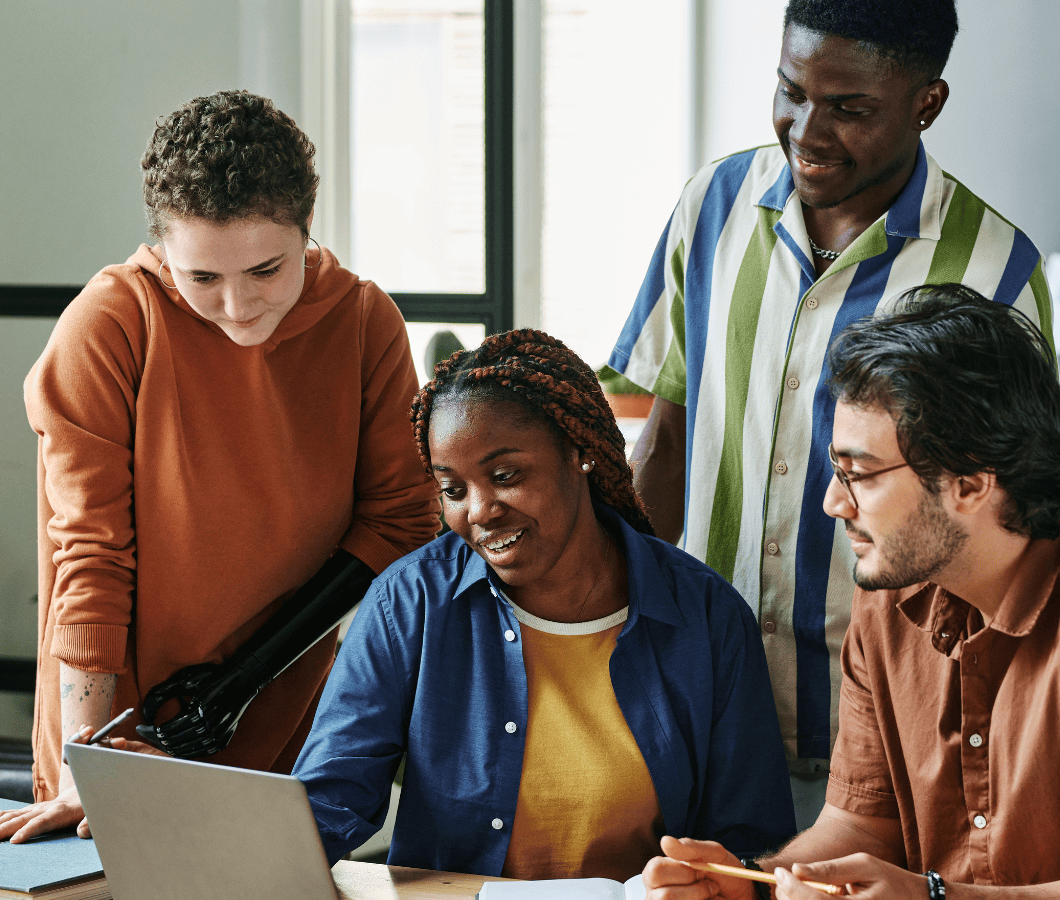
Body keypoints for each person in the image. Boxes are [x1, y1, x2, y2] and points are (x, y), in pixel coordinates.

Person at [643, 285, 1060, 899]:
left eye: (861, 475)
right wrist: (755, 888)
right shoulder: (896, 589)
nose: (831, 503)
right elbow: (860, 823)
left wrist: (935, 899)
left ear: (970, 483)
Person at [605, 0, 1053, 828]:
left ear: (928, 103)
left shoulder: (993, 271)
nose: (806, 131)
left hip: (890, 738)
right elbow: (666, 441)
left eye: (849, 109)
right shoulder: (712, 204)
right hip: (697, 708)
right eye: (790, 90)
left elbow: (1011, 529)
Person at [0, 90, 441, 843]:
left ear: (307, 231)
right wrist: (87, 763)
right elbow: (88, 551)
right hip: (115, 725)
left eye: (265, 269)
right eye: (203, 280)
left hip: (284, 705)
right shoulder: (111, 324)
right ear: (161, 249)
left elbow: (397, 523)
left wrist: (241, 683)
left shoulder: (363, 322)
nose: (237, 306)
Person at [293, 330, 796, 879]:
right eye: (453, 489)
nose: (480, 512)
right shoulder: (409, 603)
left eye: (505, 476)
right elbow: (326, 800)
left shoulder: (707, 618)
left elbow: (749, 841)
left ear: (578, 450)